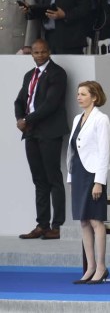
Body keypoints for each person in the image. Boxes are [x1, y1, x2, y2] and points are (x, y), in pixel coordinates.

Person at [14, 39, 69, 240]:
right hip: (31, 132)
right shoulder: (30, 75)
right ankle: (42, 224)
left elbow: (50, 104)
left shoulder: (57, 73)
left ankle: (58, 225)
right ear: (32, 54)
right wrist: (20, 119)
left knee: (53, 178)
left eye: (43, 52)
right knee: (39, 180)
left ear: (49, 51)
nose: (40, 55)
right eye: (36, 52)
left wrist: (27, 120)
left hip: (50, 132)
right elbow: (20, 101)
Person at [67, 81, 110, 284]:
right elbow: (73, 150)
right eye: (78, 94)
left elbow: (104, 152)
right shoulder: (78, 118)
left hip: (93, 174)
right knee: (84, 221)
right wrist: (70, 176)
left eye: (83, 94)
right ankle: (90, 266)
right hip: (78, 173)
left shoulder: (101, 119)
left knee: (95, 220)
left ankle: (101, 267)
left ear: (94, 97)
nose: (79, 97)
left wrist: (99, 182)